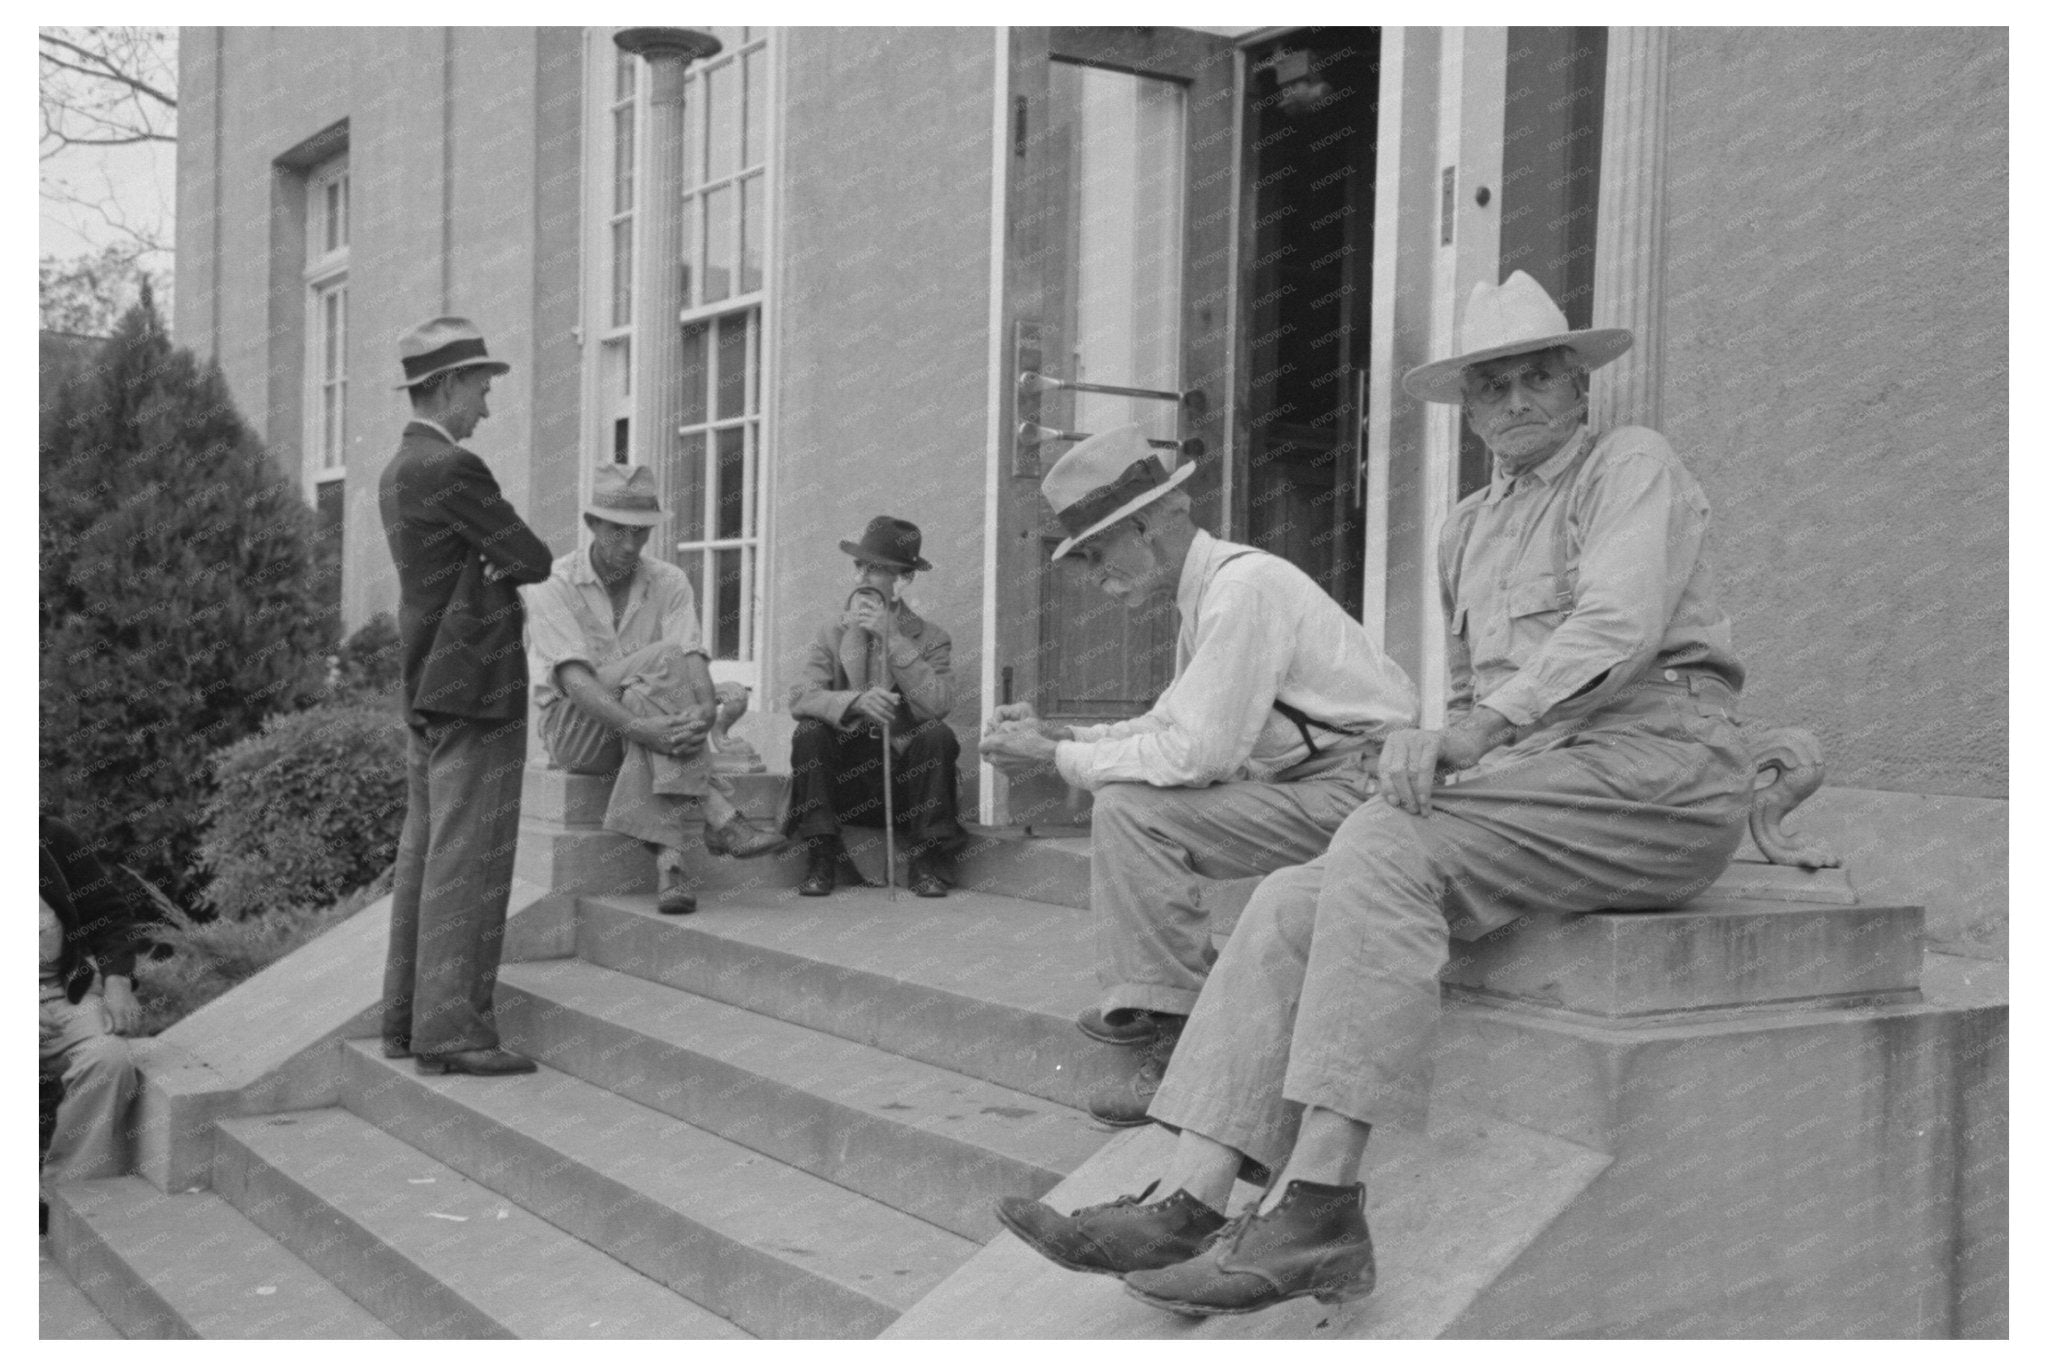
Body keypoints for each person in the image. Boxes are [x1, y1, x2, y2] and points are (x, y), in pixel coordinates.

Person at [995, 271, 1754, 1317]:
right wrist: (1466, 749)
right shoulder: (1465, 528)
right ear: (1468, 407)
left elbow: (1612, 633)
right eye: (1493, 385)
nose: (1518, 400)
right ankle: (1192, 1193)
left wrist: (1472, 738)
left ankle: (1319, 1202)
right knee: (1287, 895)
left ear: (1580, 388)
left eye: (1541, 377)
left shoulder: (1630, 467)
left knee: (1382, 847)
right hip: (1541, 785)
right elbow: (1473, 692)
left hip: (1656, 771)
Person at [979, 424, 1416, 1124]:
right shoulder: (1211, 591)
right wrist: (1062, 733)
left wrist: (1055, 758)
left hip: (1364, 796)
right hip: (1316, 788)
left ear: (1149, 526)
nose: (1095, 578)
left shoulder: (1243, 591)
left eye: (1096, 554)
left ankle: (1176, 1029)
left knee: (1130, 809)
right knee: (1128, 799)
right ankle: (1154, 997)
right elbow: (1171, 723)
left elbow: (1194, 757)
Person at [378, 317, 554, 1077]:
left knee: (426, 856)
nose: (486, 406)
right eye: (481, 389)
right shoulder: (454, 468)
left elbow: (502, 560)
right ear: (448, 386)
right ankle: (453, 1032)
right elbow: (533, 558)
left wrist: (491, 561)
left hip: (426, 683)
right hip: (475, 688)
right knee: (468, 861)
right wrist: (495, 561)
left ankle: (407, 1021)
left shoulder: (397, 468)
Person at [523, 465, 785, 915]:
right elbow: (575, 682)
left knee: (652, 685)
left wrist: (703, 712)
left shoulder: (669, 581)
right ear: (591, 524)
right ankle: (720, 816)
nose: (630, 545)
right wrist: (644, 729)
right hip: (575, 731)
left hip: (646, 726)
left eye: (641, 533)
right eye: (618, 532)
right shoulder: (553, 583)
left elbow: (694, 658)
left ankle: (671, 865)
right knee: (661, 659)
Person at [785, 516, 963, 899]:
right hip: (847, 783)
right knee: (809, 732)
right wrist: (854, 702)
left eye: (876, 568)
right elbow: (800, 696)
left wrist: (895, 639)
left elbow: (939, 704)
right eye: (859, 566)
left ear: (902, 580)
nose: (862, 578)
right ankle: (820, 857)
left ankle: (926, 862)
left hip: (903, 787)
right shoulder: (833, 632)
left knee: (938, 736)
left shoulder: (931, 638)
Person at [40, 815, 147, 1199]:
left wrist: (118, 980)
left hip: (59, 989)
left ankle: (65, 1199)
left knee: (109, 1059)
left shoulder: (51, 837)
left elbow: (109, 914)